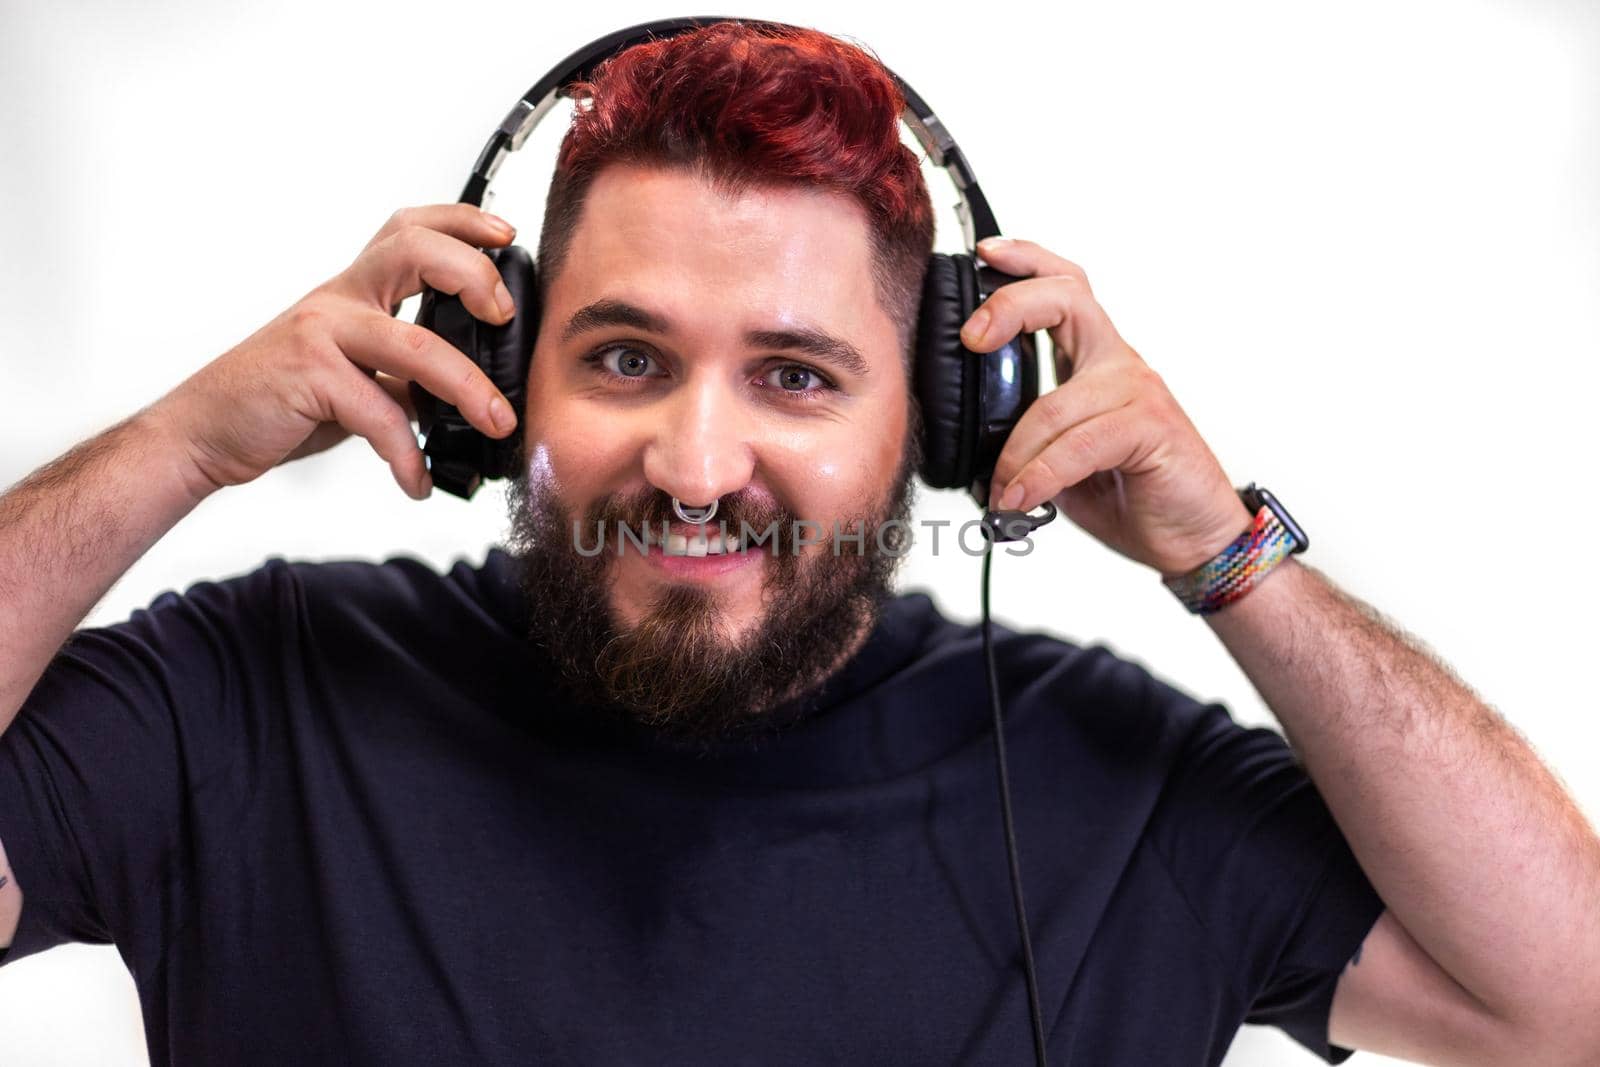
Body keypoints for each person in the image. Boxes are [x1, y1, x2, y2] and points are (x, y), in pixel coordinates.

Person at [0, 20, 1595, 1067]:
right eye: (625, 358)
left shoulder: (1116, 794)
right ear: (498, 382)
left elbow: (1564, 998)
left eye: (795, 376)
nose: (696, 465)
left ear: (943, 419)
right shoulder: (254, 702)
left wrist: (1227, 556)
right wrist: (174, 448)